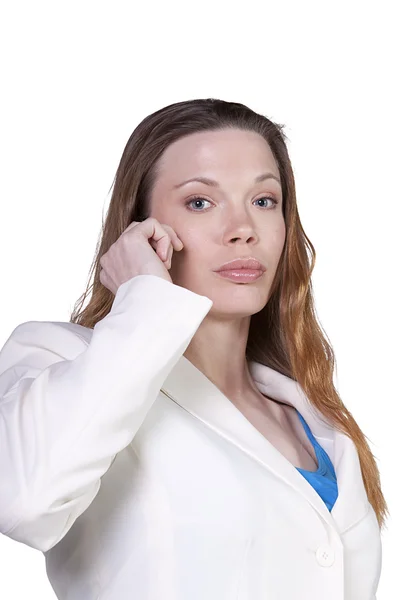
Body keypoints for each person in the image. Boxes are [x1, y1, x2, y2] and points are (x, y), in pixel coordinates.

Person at [0, 98, 387, 599]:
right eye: (200, 202)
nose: (243, 229)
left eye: (264, 201)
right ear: (141, 229)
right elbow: (25, 501)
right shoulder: (58, 359)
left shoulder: (315, 418)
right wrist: (145, 302)